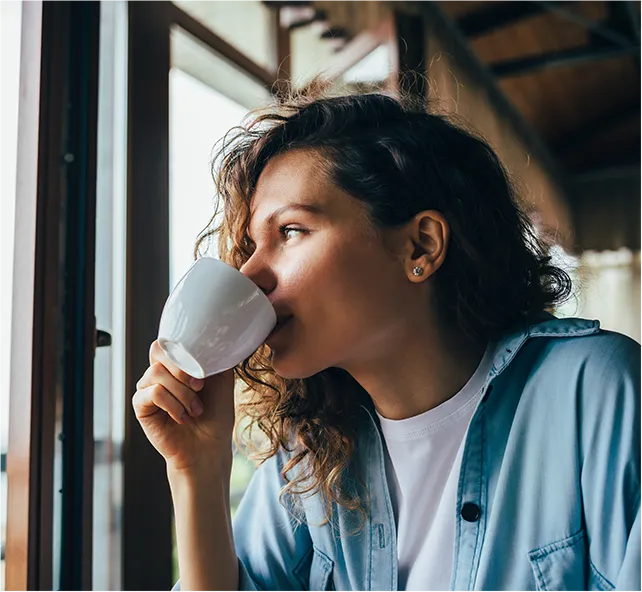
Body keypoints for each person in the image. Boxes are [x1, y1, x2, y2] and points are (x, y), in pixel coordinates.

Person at [133, 93, 642, 592]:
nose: (250, 274)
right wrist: (195, 470)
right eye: (251, 246)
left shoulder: (593, 388)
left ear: (420, 245)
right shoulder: (311, 451)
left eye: (290, 231)